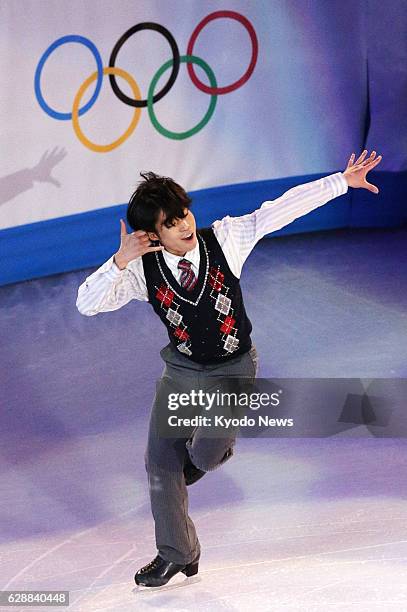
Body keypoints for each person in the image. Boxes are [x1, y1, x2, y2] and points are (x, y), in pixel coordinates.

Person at [76, 149, 382, 587]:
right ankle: (178, 554)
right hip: (181, 370)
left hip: (232, 369)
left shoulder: (226, 239)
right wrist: (120, 260)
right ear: (152, 234)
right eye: (171, 222)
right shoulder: (141, 270)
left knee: (203, 454)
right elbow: (86, 305)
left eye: (184, 214)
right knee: (160, 462)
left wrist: (340, 182)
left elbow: (278, 211)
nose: (185, 225)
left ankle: (211, 453)